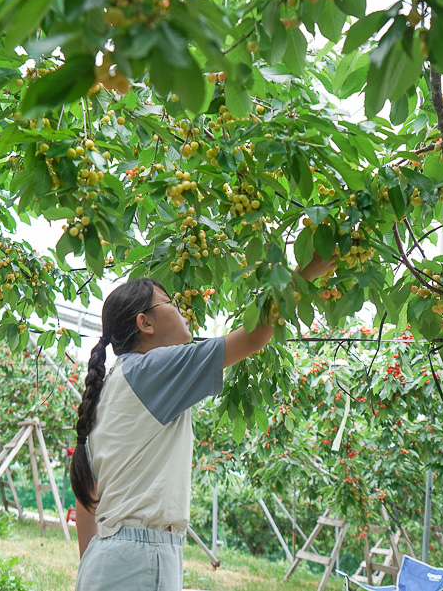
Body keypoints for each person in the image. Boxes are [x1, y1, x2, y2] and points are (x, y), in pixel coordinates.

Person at [70, 253, 335, 590]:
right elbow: (254, 336)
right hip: (141, 557)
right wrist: (305, 273)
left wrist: (94, 568)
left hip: (105, 560)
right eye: (169, 302)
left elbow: (86, 499)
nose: (180, 308)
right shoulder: (153, 368)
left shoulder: (108, 388)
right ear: (144, 323)